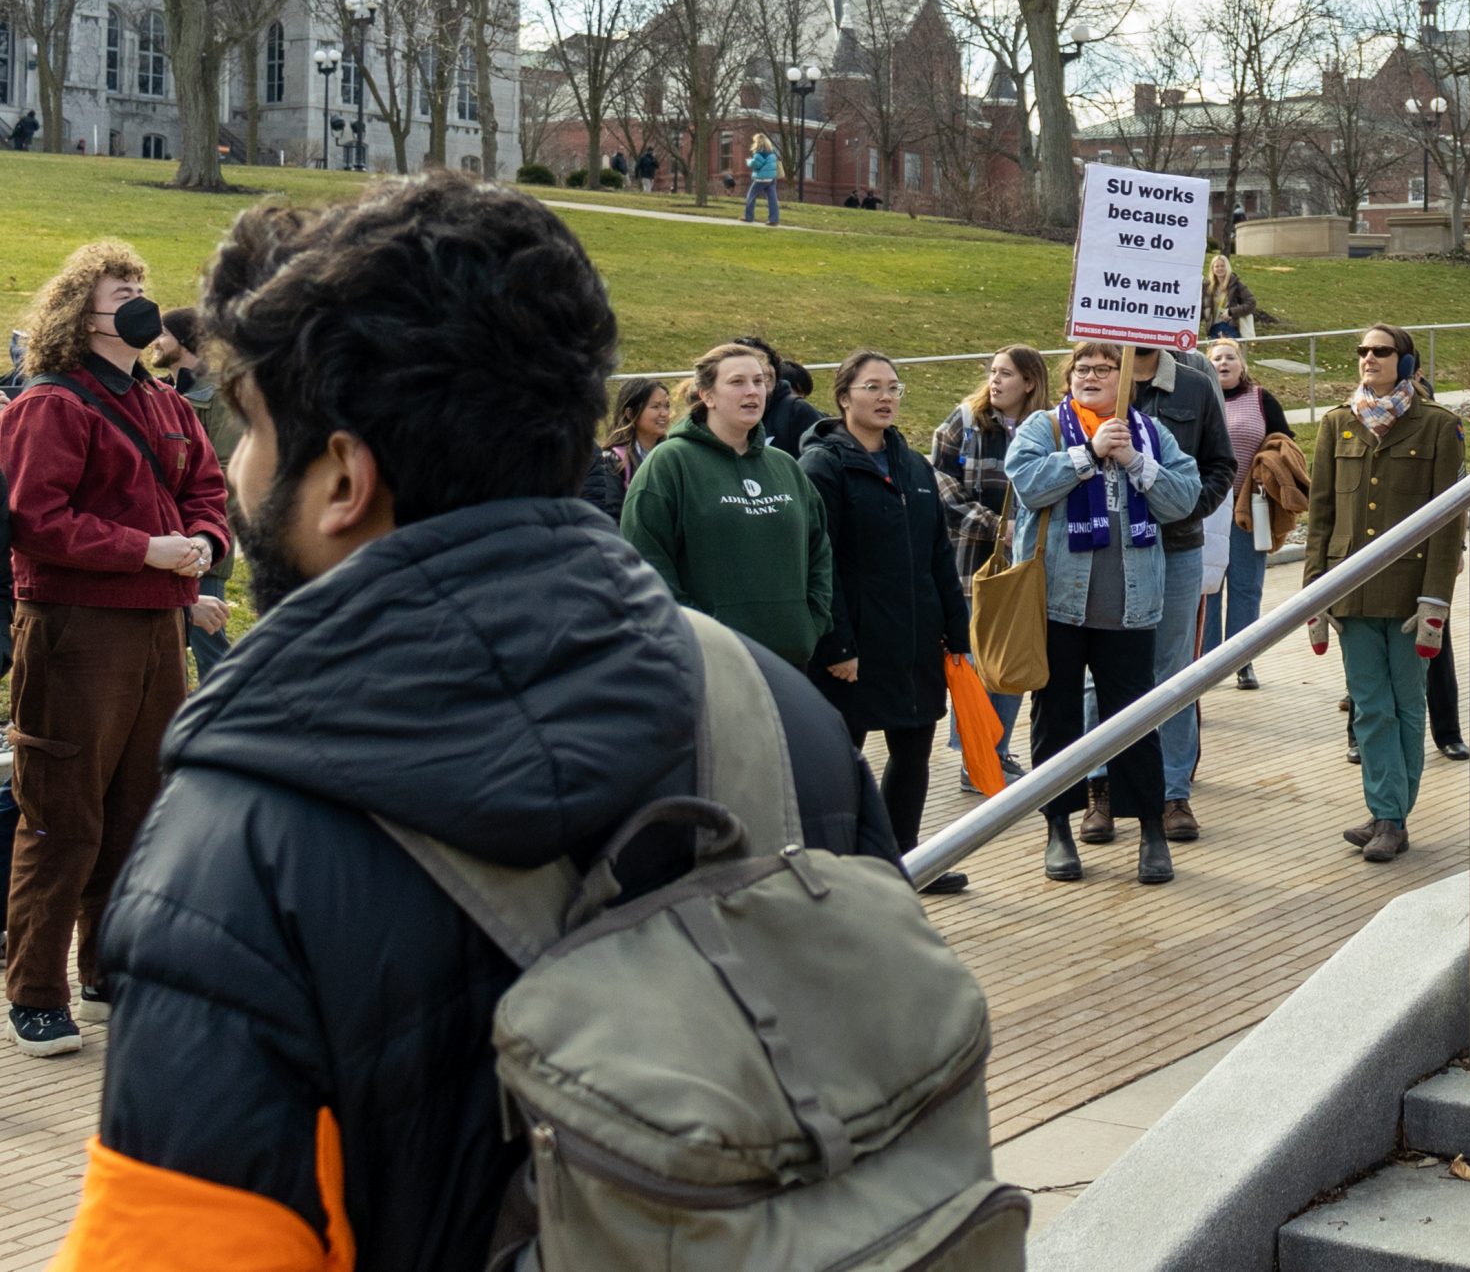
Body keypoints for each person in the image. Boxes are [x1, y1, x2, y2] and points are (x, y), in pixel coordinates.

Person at [52, 173, 895, 1266]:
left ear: (344, 477)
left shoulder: (233, 852)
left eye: (251, 429)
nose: (230, 464)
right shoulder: (779, 714)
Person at [0, 243, 229, 1056]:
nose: (136, 298)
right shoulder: (49, 404)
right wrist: (144, 549)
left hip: (158, 626)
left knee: (137, 810)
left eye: (140, 284)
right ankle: (34, 989)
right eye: (118, 288)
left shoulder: (166, 404)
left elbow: (207, 488)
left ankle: (104, 973)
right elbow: (37, 520)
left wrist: (201, 539)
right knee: (63, 813)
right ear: (80, 310)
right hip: (74, 628)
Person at [1006, 341, 1201, 886]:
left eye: (1104, 369)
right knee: (1056, 718)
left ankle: (1150, 832)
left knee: (1136, 722)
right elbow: (1026, 483)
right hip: (1058, 607)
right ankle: (1058, 830)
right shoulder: (1043, 428)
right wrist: (1088, 453)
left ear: (1125, 382)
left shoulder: (1150, 434)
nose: (1090, 376)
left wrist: (1135, 461)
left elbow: (1182, 499)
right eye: (1082, 369)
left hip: (1130, 608)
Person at [803, 351, 973, 895]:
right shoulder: (822, 466)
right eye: (872, 387)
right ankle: (846, 872)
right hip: (852, 645)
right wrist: (837, 643)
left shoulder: (914, 466)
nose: (885, 397)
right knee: (841, 762)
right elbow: (818, 559)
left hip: (915, 640)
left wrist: (957, 632)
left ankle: (908, 864)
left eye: (893, 388)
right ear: (844, 396)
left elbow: (937, 556)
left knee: (913, 751)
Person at [1303, 324, 1464, 862]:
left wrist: (1435, 599)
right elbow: (1321, 514)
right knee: (1370, 708)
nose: (1368, 358)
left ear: (1406, 360)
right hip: (1351, 590)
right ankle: (1386, 814)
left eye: (1381, 351)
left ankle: (1392, 814)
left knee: (1405, 705)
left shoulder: (1438, 426)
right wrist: (1314, 596)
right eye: (1363, 351)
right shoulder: (1337, 424)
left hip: (1409, 592)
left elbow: (1448, 522)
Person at [1087, 343, 1235, 845]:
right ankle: (1099, 788)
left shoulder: (1195, 386)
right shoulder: (1100, 379)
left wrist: (1186, 509)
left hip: (1175, 551)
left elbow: (1221, 464)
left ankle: (1173, 793)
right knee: (1102, 672)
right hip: (1107, 552)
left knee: (1174, 674)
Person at [620, 342, 833, 668]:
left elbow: (819, 550)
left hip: (790, 663)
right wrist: (699, 635)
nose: (753, 391)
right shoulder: (670, 463)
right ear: (707, 395)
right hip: (709, 666)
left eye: (759, 381)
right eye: (737, 382)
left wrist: (810, 622)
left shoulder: (785, 467)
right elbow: (644, 563)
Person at [931, 345, 1048, 786]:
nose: (995, 381)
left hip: (1022, 570)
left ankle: (994, 750)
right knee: (974, 663)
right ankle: (975, 759)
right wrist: (998, 527)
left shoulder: (1048, 426)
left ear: (1030, 383)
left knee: (1011, 659)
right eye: (992, 372)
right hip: (968, 565)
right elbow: (941, 486)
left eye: (1007, 374)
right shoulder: (964, 421)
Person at [149, 306, 244, 683]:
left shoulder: (221, 394)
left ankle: (232, 721)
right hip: (161, 538)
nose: (154, 342)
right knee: (170, 636)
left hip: (204, 536)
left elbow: (227, 470)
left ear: (185, 341)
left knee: (208, 641)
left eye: (163, 334)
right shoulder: (159, 393)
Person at [1199, 338, 1296, 690]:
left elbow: (1284, 441)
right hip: (1207, 507)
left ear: (1242, 365)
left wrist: (1267, 466)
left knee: (1246, 587)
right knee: (1207, 587)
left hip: (1249, 507)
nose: (1223, 363)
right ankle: (1207, 664)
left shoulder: (1260, 398)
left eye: (1230, 358)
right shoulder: (1200, 398)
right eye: (1216, 358)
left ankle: (1242, 661)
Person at [580, 376, 671, 522]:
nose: (665, 413)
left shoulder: (674, 455)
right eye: (655, 407)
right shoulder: (613, 461)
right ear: (630, 413)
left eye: (667, 406)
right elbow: (611, 517)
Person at [738, 335, 822, 455]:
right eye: (757, 364)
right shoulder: (724, 415)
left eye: (769, 362)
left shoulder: (796, 411)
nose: (766, 370)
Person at [1203, 253, 1258, 340]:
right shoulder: (1208, 287)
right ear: (1212, 269)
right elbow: (1202, 308)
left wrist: (1231, 312)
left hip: (1230, 327)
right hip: (1213, 328)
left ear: (1227, 267)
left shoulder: (1236, 284)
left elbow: (1251, 303)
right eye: (1216, 266)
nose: (1220, 268)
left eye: (1222, 266)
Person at [743, 131, 782, 225]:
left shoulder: (759, 153)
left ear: (758, 142)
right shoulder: (772, 152)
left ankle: (749, 217)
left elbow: (756, 165)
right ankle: (774, 219)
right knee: (772, 199)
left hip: (762, 179)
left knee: (750, 196)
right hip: (772, 179)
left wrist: (749, 161)